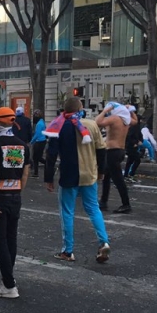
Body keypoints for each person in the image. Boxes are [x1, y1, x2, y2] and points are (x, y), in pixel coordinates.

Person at [44, 97, 110, 264]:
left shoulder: (58, 126)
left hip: (69, 176)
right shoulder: (92, 125)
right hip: (89, 174)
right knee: (93, 209)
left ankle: (68, 251)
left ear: (64, 110)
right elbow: (101, 151)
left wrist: (49, 178)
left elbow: (51, 155)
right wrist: (101, 171)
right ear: (80, 109)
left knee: (67, 212)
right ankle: (104, 242)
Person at [0, 108, 31, 299]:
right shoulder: (23, 146)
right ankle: (7, 279)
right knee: (11, 239)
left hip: (0, 197)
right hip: (15, 196)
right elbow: (25, 173)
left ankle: (9, 286)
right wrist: (17, 192)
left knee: (0, 241)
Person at [96, 102, 136, 214]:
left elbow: (97, 122)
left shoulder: (114, 119)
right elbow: (135, 120)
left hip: (112, 151)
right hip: (120, 151)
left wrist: (105, 111)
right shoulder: (126, 120)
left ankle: (126, 204)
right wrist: (131, 111)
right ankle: (103, 201)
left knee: (118, 179)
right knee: (106, 177)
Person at [123, 115, 144, 181]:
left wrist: (140, 141)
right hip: (130, 147)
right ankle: (131, 174)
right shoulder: (133, 127)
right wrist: (135, 142)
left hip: (134, 147)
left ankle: (126, 175)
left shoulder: (137, 127)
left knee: (130, 161)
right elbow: (129, 137)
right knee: (137, 160)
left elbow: (140, 136)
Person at [29, 109, 46, 177]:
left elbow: (37, 134)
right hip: (42, 141)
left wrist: (31, 141)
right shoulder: (42, 122)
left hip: (39, 142)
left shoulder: (39, 124)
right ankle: (36, 172)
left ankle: (36, 172)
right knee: (38, 157)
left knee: (36, 157)